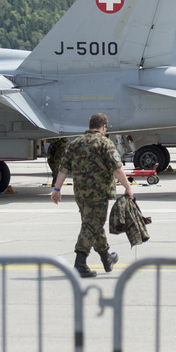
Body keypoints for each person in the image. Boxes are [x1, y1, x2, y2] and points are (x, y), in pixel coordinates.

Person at [50, 113, 133, 278]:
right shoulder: (105, 143)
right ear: (104, 127)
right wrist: (128, 187)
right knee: (90, 227)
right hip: (99, 194)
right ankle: (80, 263)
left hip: (81, 194)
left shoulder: (75, 144)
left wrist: (57, 189)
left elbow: (63, 168)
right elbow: (117, 169)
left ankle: (106, 257)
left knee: (93, 225)